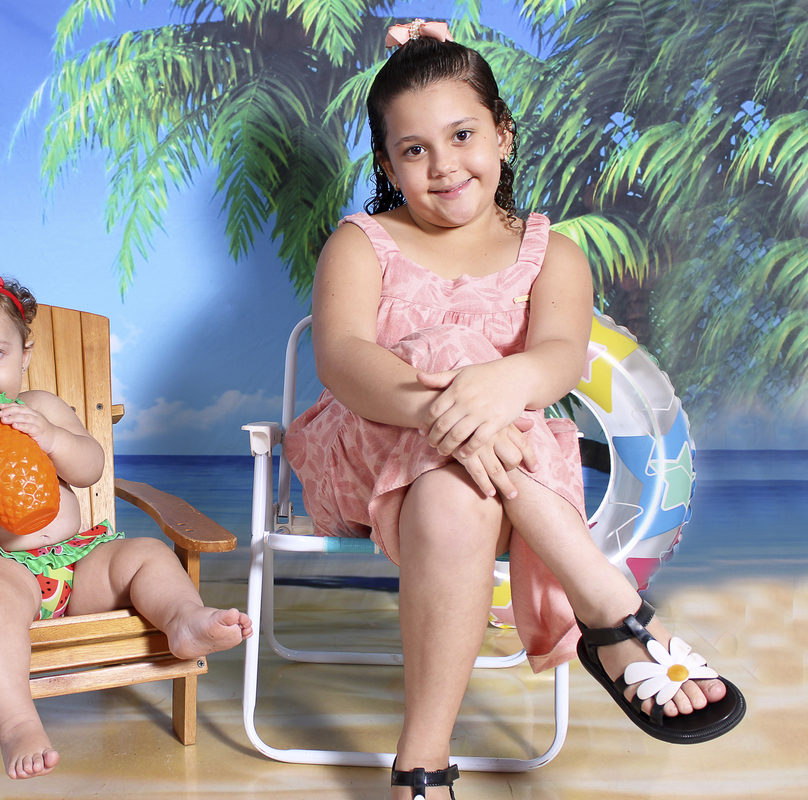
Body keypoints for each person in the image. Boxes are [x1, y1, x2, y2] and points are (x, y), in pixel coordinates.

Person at [283, 20, 745, 799]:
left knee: (456, 488)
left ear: (501, 133)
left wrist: (501, 386)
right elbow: (345, 362)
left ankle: (420, 763)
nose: (442, 165)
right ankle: (608, 606)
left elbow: (560, 358)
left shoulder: (551, 252)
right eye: (414, 150)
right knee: (451, 355)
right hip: (369, 452)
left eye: (462, 135)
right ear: (387, 164)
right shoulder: (362, 242)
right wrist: (452, 402)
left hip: (496, 479)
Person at [0, 266, 252, 780]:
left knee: (148, 554)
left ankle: (184, 621)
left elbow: (90, 467)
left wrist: (53, 440)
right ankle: (18, 725)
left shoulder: (40, 408)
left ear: (24, 355)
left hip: (78, 564)